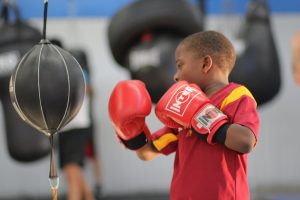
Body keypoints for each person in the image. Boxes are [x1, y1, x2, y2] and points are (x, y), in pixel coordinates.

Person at [109, 30, 260, 200]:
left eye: (180, 65)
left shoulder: (236, 95)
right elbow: (147, 152)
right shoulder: (181, 107)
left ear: (205, 64)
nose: (176, 76)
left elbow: (245, 141)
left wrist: (201, 115)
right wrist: (132, 133)